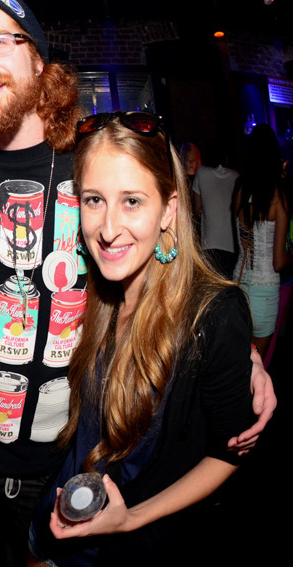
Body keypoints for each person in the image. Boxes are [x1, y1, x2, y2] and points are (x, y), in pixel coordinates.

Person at [0, 0, 275, 567]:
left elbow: (163, 268)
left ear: (38, 58)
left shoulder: (92, 158)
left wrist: (243, 357)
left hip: (61, 456)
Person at [27, 112, 252, 565]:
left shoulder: (214, 314)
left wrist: (131, 519)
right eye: (94, 200)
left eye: (132, 201)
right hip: (59, 516)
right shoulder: (89, 288)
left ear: (169, 209)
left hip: (127, 543)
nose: (108, 229)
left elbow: (228, 454)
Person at [232, 124, 289, 353]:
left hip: (239, 284)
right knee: (256, 366)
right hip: (264, 291)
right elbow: (279, 262)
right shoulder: (277, 197)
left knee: (239, 363)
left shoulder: (240, 190)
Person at [191, 144, 239, 276]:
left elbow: (197, 209)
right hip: (232, 246)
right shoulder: (235, 176)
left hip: (210, 244)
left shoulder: (201, 173)